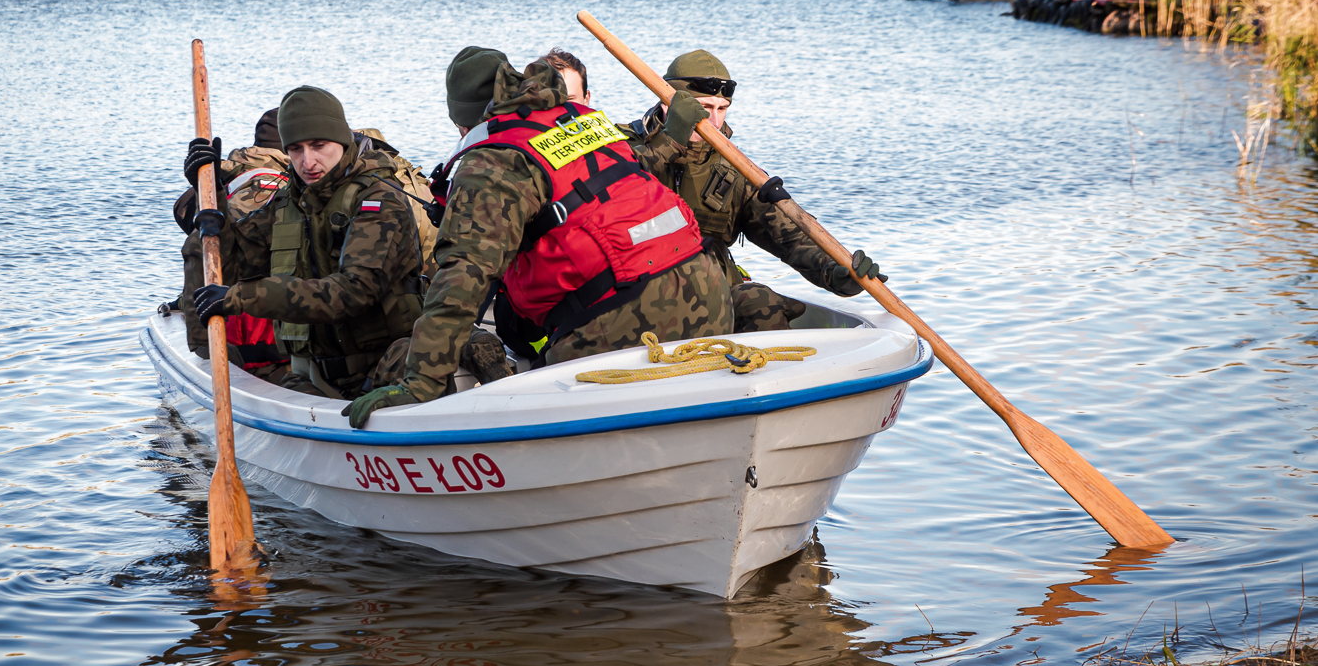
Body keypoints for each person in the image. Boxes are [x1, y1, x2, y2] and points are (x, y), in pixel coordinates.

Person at [343, 55, 733, 428]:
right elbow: (627, 172)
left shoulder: (492, 160)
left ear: (463, 123)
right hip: (711, 295)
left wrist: (419, 385)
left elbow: (462, 280)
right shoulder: (584, 121)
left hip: (619, 322)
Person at [186, 86, 429, 399]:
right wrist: (211, 190)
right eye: (296, 149)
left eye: (319, 145)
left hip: (385, 368)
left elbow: (353, 293)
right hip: (315, 376)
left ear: (341, 141)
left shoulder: (378, 200)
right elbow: (232, 266)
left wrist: (242, 297)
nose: (308, 161)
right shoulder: (290, 202)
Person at [627, 50, 885, 331]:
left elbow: (792, 239)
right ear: (668, 104)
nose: (713, 121)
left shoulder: (735, 170)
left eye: (722, 108)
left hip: (709, 297)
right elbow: (614, 185)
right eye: (702, 108)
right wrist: (670, 141)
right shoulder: (622, 145)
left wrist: (837, 271)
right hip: (633, 295)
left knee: (761, 302)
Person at [171, 108, 292, 380]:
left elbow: (189, 228)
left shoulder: (230, 175)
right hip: (278, 345)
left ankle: (208, 348)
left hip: (246, 339)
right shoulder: (290, 185)